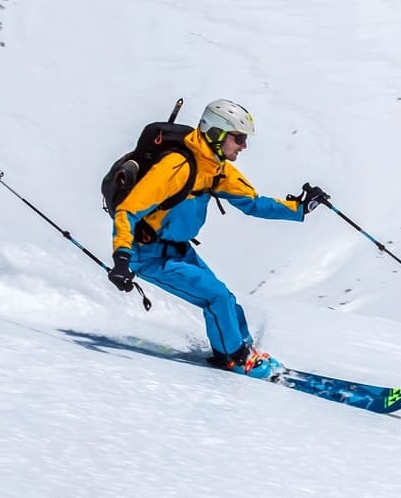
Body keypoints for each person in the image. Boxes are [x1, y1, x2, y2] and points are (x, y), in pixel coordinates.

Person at [107, 98, 329, 377]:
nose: (244, 146)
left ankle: (245, 350)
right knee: (216, 298)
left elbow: (252, 202)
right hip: (147, 254)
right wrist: (122, 258)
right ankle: (233, 357)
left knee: (227, 299)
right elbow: (128, 211)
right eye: (239, 138)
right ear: (216, 133)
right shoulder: (177, 167)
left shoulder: (214, 166)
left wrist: (299, 208)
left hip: (177, 249)